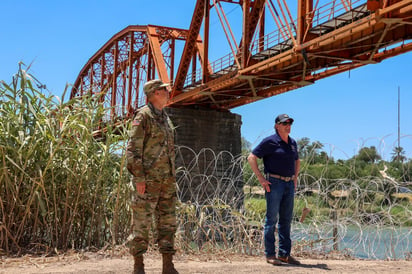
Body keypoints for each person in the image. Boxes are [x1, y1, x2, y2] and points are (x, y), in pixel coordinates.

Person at [126, 79, 179, 274]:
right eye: (165, 90)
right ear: (156, 92)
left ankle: (168, 265)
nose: (168, 92)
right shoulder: (143, 116)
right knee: (141, 223)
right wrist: (139, 178)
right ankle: (138, 266)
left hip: (167, 181)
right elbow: (133, 149)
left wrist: (172, 176)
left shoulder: (165, 117)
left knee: (168, 223)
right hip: (147, 181)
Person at [247, 113, 301, 266]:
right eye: (285, 123)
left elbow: (297, 160)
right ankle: (270, 255)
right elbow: (251, 157)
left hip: (289, 183)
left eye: (290, 123)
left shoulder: (292, 143)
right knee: (272, 220)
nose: (288, 126)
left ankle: (284, 255)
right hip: (274, 183)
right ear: (277, 126)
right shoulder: (270, 141)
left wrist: (295, 177)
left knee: (286, 220)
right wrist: (261, 178)